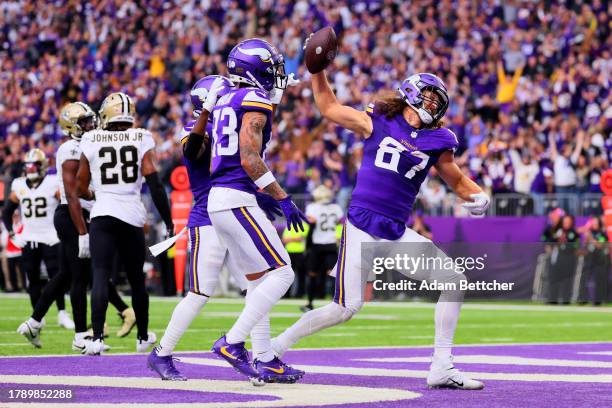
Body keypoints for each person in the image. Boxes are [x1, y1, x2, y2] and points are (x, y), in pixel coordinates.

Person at [271, 48, 490, 390]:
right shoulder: (379, 119)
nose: (434, 105)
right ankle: (273, 349)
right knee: (344, 309)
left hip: (395, 233)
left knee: (454, 281)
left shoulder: (439, 140)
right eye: (430, 97)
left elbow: (459, 181)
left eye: (438, 101)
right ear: (412, 93)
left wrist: (480, 195)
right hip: (361, 226)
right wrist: (317, 72)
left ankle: (442, 366)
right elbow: (329, 107)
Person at [148, 75, 281, 380]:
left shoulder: (231, 124)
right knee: (199, 293)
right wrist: (207, 113)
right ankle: (162, 353)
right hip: (207, 219)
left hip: (231, 212)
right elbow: (193, 152)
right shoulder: (196, 131)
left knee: (257, 287)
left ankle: (263, 358)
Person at [202, 38, 305, 383]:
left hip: (223, 197)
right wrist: (281, 197)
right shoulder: (255, 99)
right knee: (283, 273)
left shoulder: (227, 99)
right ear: (255, 71)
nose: (276, 76)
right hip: (235, 197)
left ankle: (265, 359)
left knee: (261, 280)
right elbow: (248, 157)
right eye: (271, 69)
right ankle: (232, 342)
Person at [14, 102, 136, 351]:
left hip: (84, 214)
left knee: (66, 275)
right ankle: (81, 335)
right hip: (72, 215)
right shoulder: (69, 148)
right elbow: (71, 195)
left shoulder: (93, 142)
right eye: (84, 122)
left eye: (91, 120)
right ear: (72, 126)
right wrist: (82, 231)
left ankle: (34, 322)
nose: (90, 125)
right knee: (80, 276)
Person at [77, 92, 174, 355]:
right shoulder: (141, 136)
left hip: (103, 213)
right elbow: (154, 182)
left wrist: (96, 195)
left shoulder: (90, 138)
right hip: (132, 215)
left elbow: (79, 185)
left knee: (99, 274)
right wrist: (168, 220)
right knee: (136, 280)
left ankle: (96, 338)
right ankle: (142, 336)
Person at [2, 148, 75, 339]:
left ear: (42, 166)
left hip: (51, 236)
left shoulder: (52, 183)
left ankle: (62, 313)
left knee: (56, 277)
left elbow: (66, 206)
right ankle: (38, 317)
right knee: (32, 279)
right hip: (29, 237)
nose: (31, 169)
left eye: (34, 165)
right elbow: (6, 211)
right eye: (28, 165)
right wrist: (11, 233)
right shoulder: (19, 185)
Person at [301, 185, 343, 312]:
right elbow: (340, 221)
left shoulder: (312, 207)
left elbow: (311, 224)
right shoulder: (336, 208)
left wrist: (307, 246)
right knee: (334, 274)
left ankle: (309, 303)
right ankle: (339, 301)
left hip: (317, 244)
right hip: (331, 244)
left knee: (312, 274)